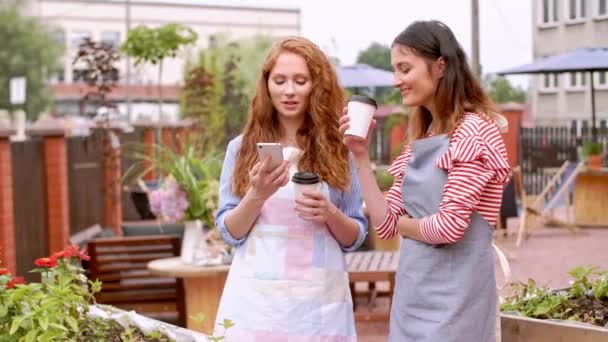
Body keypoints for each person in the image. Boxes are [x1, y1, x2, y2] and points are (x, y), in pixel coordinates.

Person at [340, 20, 510, 342]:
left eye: (405, 69)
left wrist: (405, 224)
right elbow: (385, 225)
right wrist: (359, 155)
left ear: (440, 65)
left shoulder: (475, 131)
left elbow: (448, 228)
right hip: (412, 298)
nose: (396, 80)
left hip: (459, 306)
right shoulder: (424, 136)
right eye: (395, 71)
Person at [214, 36, 367, 341]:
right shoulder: (241, 149)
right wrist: (256, 195)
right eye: (280, 80)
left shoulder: (340, 149)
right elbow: (229, 232)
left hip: (319, 306)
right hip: (257, 304)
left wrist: (330, 213)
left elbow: (355, 237)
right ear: (266, 83)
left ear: (316, 85)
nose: (289, 91)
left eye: (300, 80)